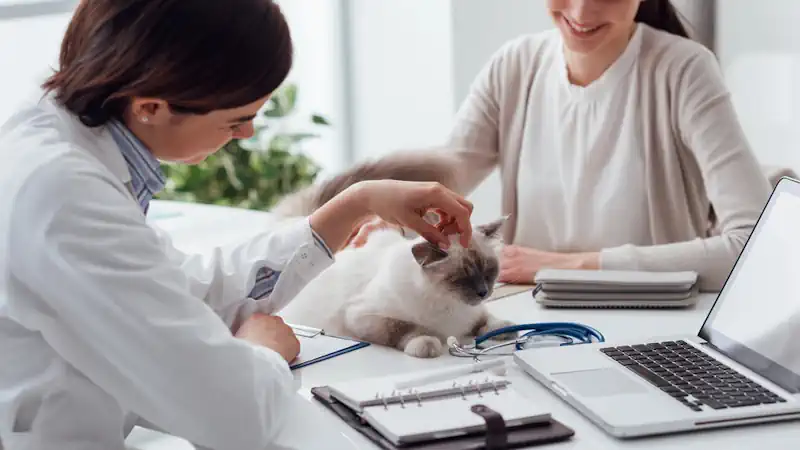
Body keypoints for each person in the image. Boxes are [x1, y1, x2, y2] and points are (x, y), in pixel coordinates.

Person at [0, 1, 473, 449]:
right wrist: (262, 353)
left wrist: (354, 205)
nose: (247, 134)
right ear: (150, 106)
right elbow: (229, 413)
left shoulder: (62, 143)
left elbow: (178, 288)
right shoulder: (64, 193)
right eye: (237, 120)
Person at [345, 0, 772, 292]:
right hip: (528, 323)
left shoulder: (684, 70)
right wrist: (397, 221)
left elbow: (754, 246)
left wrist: (565, 265)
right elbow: (444, 190)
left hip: (651, 329)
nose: (582, 11)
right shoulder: (515, 65)